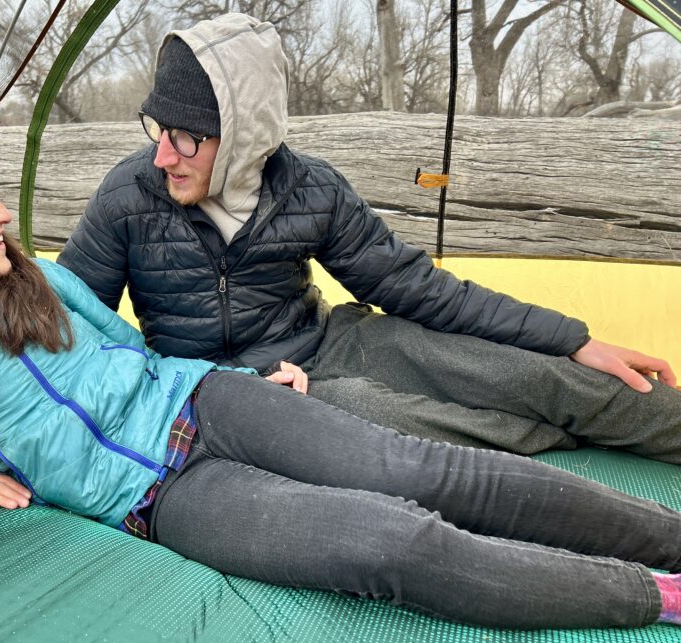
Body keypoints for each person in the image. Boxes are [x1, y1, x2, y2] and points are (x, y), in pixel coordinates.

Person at [0, 126, 681, 631]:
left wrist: (245, 382)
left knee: (424, 469)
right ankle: (655, 595)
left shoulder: (46, 278)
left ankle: (669, 540)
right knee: (388, 542)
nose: (1, 210)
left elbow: (141, 356)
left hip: (212, 401)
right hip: (159, 498)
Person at [57, 13, 681, 460]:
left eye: (186, 135)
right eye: (158, 129)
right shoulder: (128, 198)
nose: (164, 155)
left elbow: (421, 288)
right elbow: (69, 329)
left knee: (533, 375)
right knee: (403, 430)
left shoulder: (309, 189)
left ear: (245, 131)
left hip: (329, 343)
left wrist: (572, 340)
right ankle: (548, 437)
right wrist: (207, 388)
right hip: (221, 392)